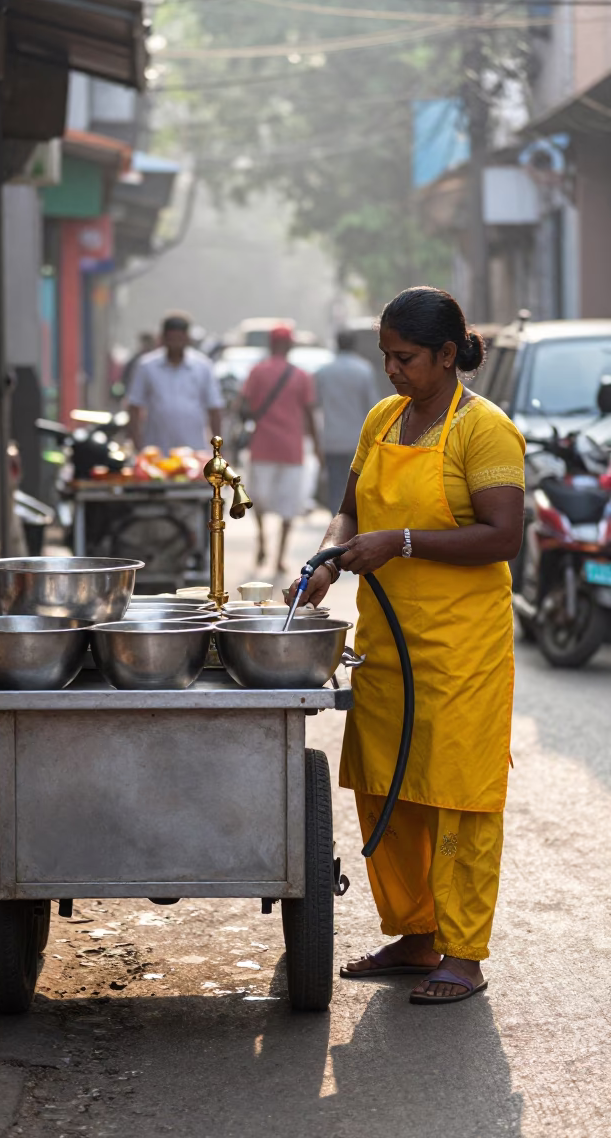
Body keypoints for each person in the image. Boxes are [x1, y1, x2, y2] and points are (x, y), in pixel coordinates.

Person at [288, 286, 525, 1005]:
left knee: (458, 797)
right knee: (388, 789)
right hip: (390, 642)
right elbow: (348, 508)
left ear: (448, 355)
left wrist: (405, 542)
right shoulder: (383, 419)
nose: (392, 370)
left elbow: (504, 534)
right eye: (386, 356)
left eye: (407, 358)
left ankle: (463, 952)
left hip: (462, 652)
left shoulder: (484, 431)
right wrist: (327, 560)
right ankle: (416, 934)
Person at [242, 325, 320, 574]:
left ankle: (262, 539)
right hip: (291, 448)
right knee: (289, 505)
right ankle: (280, 557)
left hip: (262, 445)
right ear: (290, 346)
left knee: (257, 498)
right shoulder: (301, 376)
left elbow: (242, 405)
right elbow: (310, 412)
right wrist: (317, 446)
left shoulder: (256, 372)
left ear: (270, 344)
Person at [127, 312, 225, 455]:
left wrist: (217, 449)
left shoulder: (202, 367)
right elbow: (134, 406)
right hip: (156, 451)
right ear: (164, 339)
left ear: (187, 339)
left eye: (179, 338)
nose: (176, 343)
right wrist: (137, 445)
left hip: (194, 452)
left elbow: (214, 409)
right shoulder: (147, 366)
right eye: (172, 338)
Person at [315, 331, 378, 513]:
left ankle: (336, 521)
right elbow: (373, 406)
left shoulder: (324, 371)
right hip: (357, 440)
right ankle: (352, 522)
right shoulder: (364, 369)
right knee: (356, 484)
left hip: (332, 438)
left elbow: (316, 405)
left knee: (335, 485)